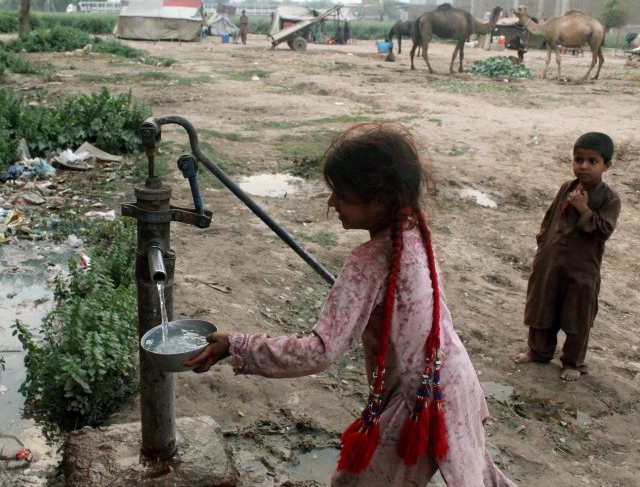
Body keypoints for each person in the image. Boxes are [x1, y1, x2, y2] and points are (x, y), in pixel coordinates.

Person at [184, 122, 518, 486]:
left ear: (380, 200)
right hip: (452, 380)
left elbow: (319, 352)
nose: (331, 204)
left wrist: (237, 345)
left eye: (341, 195)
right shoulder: (414, 231)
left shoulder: (368, 262)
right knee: (478, 477)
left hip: (418, 403)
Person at [515, 132, 620, 381]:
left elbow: (603, 230)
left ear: (607, 165)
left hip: (582, 269)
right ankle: (538, 351)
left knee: (577, 315)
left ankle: (573, 362)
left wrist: (583, 209)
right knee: (543, 306)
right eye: (578, 159)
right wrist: (543, 243)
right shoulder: (567, 187)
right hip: (551, 262)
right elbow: (550, 217)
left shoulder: (609, 199)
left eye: (592, 161)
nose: (583, 166)